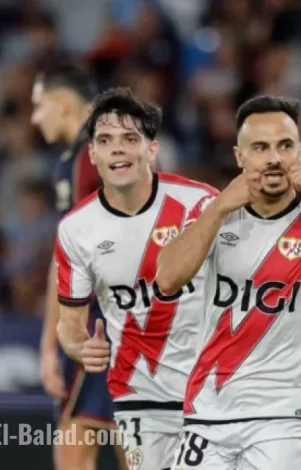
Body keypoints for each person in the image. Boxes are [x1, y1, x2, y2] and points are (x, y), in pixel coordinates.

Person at [155, 95, 301, 470]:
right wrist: (222, 205)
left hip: (282, 415)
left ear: (300, 151)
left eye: (285, 146)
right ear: (240, 156)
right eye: (260, 148)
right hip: (208, 408)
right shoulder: (213, 213)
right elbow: (167, 279)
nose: (274, 158)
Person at [55, 87, 218, 470]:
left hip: (211, 391)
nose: (118, 149)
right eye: (105, 141)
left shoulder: (201, 204)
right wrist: (80, 347)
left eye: (130, 138)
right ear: (92, 154)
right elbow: (70, 325)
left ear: (151, 149)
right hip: (137, 398)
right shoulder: (77, 228)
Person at [30, 62, 118, 470]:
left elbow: (72, 261)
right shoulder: (74, 160)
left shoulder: (93, 155)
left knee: (73, 451)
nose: (34, 117)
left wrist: (54, 344)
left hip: (102, 329)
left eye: (39, 106)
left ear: (63, 104)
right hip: (113, 328)